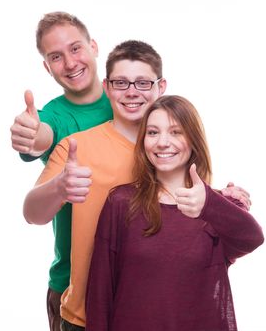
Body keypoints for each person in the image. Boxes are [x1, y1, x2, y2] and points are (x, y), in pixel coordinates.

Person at [23, 41, 251, 330]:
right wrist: (59, 187)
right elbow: (32, 214)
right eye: (121, 82)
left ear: (161, 86)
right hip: (83, 315)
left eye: (143, 83)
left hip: (153, 314)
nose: (132, 92)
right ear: (106, 87)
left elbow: (183, 229)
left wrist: (219, 199)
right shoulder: (77, 148)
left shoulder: (169, 152)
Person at [85, 95, 264, 331]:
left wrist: (211, 203)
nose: (162, 142)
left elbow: (253, 237)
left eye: (176, 132)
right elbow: (100, 294)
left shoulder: (217, 206)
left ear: (193, 140)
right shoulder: (121, 202)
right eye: (152, 132)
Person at [10, 11, 113, 331]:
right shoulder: (54, 117)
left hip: (134, 277)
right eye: (56, 56)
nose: (70, 63)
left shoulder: (130, 97)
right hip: (73, 286)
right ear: (47, 66)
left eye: (76, 48)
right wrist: (32, 134)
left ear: (94, 46)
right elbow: (41, 136)